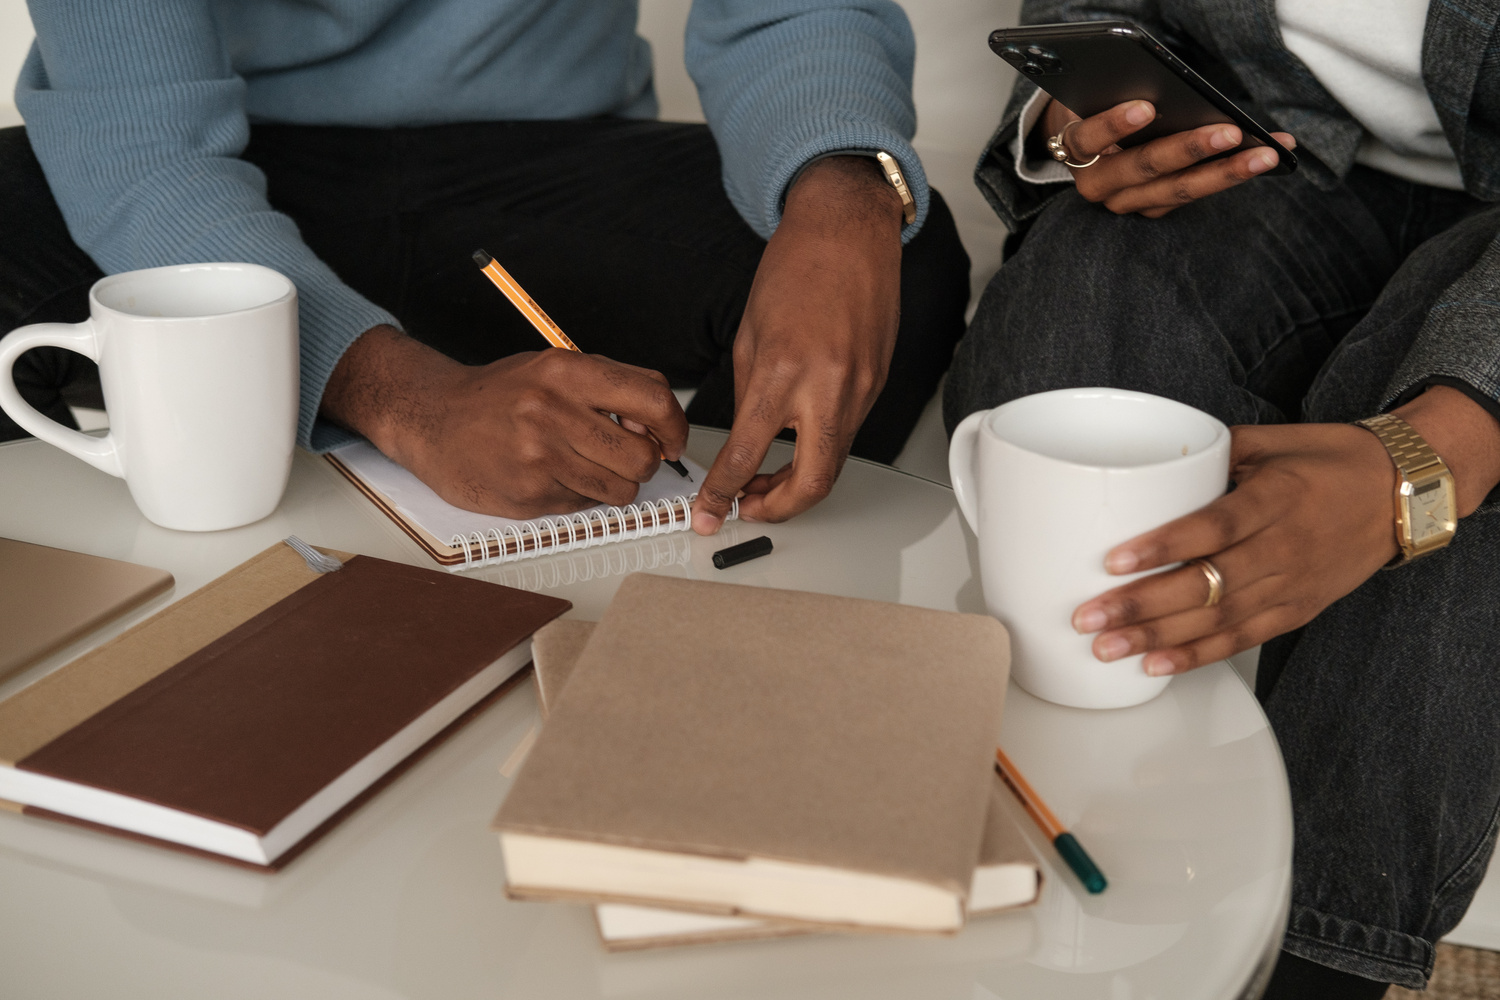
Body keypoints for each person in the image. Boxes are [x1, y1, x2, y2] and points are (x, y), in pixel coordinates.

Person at [945, 2, 1500, 997]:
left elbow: (1431, 453)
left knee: (1451, 508)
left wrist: (1427, 461)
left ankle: (1308, 957)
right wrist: (1076, 120)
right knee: (1080, 314)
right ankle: (1053, 894)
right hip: (1268, 152)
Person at [1, 0, 970, 535]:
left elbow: (789, 13)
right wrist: (408, 403)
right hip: (234, 170)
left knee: (891, 243)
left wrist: (843, 194)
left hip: (545, 166)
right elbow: (142, 141)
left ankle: (693, 571)